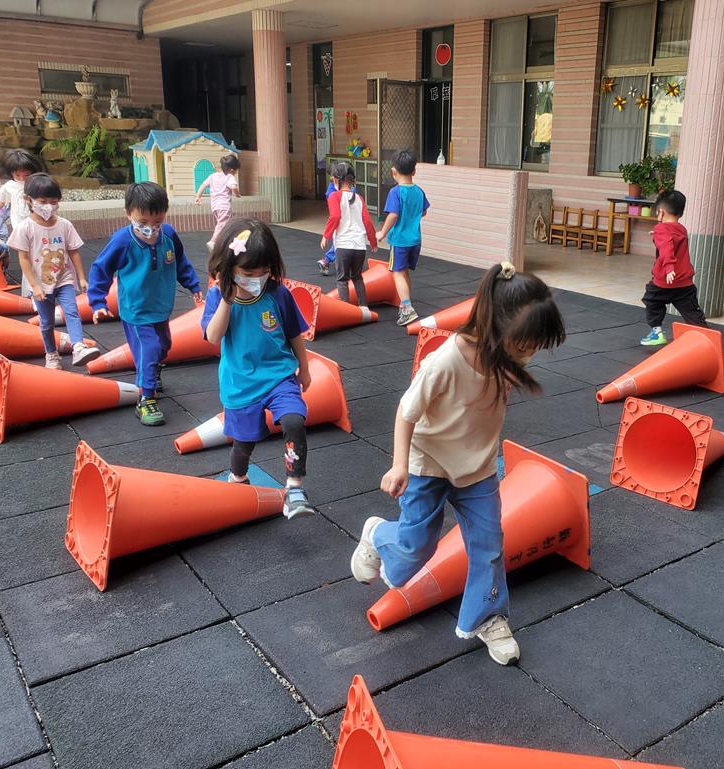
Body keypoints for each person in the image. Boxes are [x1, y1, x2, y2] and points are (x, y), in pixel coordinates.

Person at [349, 261, 566, 665]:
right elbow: (406, 412)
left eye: (535, 346)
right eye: (525, 345)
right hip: (428, 463)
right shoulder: (446, 361)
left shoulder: (506, 360)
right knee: (415, 549)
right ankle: (378, 534)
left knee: (489, 545)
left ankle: (489, 616)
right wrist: (399, 465)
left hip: (477, 469)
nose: (530, 355)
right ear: (495, 326)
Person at [202, 221, 319, 520]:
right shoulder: (218, 296)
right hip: (241, 383)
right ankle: (238, 478)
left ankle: (295, 487)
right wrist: (227, 298)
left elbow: (294, 334)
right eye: (248, 273)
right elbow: (213, 337)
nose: (256, 279)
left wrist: (304, 369)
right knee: (244, 442)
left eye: (263, 271)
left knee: (294, 420)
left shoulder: (277, 293)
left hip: (279, 375)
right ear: (228, 267)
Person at [87, 182, 203, 426]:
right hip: (136, 310)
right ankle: (146, 398)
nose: (150, 227)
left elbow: (181, 261)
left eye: (157, 221)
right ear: (128, 214)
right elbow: (101, 269)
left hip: (160, 307)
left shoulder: (168, 235)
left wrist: (193, 285)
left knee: (164, 346)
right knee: (149, 348)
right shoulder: (123, 240)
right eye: (143, 222)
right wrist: (97, 301)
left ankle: (151, 370)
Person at [7, 173, 99, 369]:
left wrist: (82, 278)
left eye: (54, 201)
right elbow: (23, 259)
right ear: (28, 200)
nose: (49, 206)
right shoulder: (25, 228)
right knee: (47, 322)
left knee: (72, 312)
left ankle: (78, 346)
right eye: (43, 201)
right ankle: (51, 353)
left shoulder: (64, 225)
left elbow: (74, 252)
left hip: (63, 278)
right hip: (40, 283)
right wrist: (34, 286)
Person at [640, 189, 707, 346]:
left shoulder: (661, 229)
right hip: (684, 283)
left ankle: (657, 333)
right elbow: (670, 239)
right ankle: (705, 337)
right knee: (692, 312)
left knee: (651, 300)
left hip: (664, 281)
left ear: (660, 212)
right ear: (680, 213)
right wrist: (657, 234)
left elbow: (667, 247)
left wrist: (669, 267)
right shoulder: (681, 228)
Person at [0, 149, 45, 293]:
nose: (22, 178)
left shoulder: (38, 184)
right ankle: (30, 291)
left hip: (39, 228)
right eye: (17, 175)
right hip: (21, 230)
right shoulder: (10, 186)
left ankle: (41, 288)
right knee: (27, 259)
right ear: (11, 173)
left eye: (26, 174)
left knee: (40, 257)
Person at [375, 149, 429, 326]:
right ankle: (406, 303)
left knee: (397, 272)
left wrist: (382, 233)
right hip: (415, 240)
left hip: (399, 241)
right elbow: (424, 212)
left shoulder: (396, 192)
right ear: (414, 171)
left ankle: (406, 308)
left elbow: (393, 214)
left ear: (393, 171)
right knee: (404, 271)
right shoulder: (419, 191)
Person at [321, 161, 377, 308]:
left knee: (342, 280)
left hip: (343, 246)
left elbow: (335, 217)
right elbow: (367, 222)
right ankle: (364, 307)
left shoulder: (335, 197)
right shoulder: (359, 198)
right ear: (352, 181)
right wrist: (373, 242)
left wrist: (326, 235)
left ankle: (345, 310)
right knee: (357, 278)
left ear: (335, 180)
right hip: (359, 246)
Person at [194, 154, 241, 250]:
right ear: (232, 170)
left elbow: (203, 185)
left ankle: (228, 242)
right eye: (236, 171)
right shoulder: (229, 177)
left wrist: (198, 196)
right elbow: (233, 187)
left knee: (225, 225)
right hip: (224, 206)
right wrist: (237, 194)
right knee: (222, 224)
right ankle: (213, 241)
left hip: (215, 206)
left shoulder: (213, 176)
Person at [315, 179, 338, 276]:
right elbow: (334, 216)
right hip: (341, 222)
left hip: (343, 221)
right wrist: (326, 236)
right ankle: (327, 260)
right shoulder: (332, 190)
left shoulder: (334, 189)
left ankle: (327, 260)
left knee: (339, 244)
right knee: (340, 244)